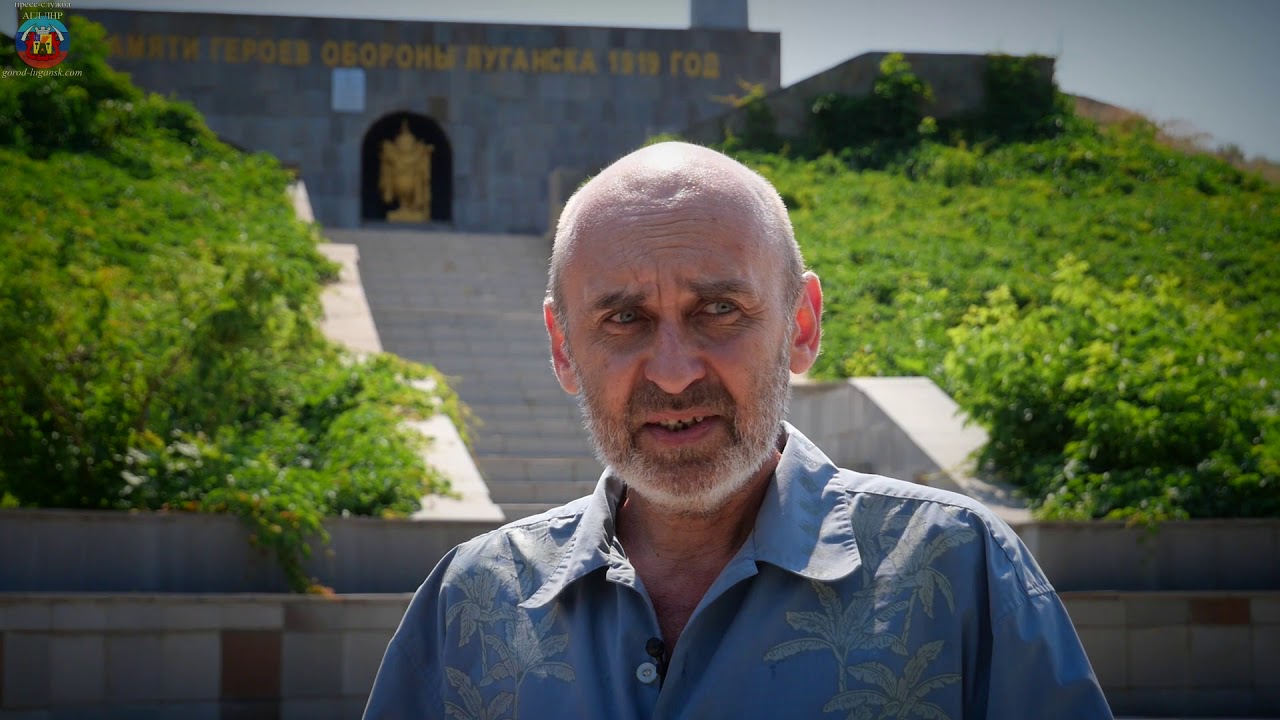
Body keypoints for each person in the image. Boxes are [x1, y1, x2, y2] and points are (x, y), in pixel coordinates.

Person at [363, 142, 1113, 719]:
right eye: (624, 318)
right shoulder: (470, 603)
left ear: (801, 325)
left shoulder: (961, 573)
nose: (674, 373)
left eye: (719, 310)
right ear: (563, 347)